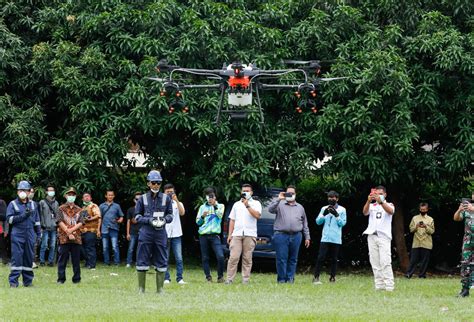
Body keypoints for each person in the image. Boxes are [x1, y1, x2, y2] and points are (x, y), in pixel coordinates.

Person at [134, 170, 173, 293]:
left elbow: (171, 215)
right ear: (148, 183)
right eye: (153, 182)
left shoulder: (166, 199)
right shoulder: (142, 199)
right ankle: (141, 289)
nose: (156, 185)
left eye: (158, 183)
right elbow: (137, 217)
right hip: (146, 232)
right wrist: (149, 220)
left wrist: (164, 220)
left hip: (160, 232)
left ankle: (160, 289)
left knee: (162, 258)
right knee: (142, 258)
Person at [268, 186, 310, 283]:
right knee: (281, 259)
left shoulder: (300, 207)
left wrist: (307, 237)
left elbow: (305, 223)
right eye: (288, 193)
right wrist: (279, 198)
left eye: (292, 193)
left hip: (296, 236)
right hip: (281, 235)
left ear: (295, 194)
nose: (290, 195)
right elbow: (270, 209)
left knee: (293, 259)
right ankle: (282, 279)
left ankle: (290, 279)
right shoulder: (280, 205)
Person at [6, 180, 41, 287]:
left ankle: (28, 282)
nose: (23, 192)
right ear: (17, 192)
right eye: (20, 190)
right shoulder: (13, 204)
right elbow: (9, 220)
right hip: (17, 234)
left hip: (30, 234)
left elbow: (37, 221)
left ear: (29, 192)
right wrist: (23, 216)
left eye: (25, 190)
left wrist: (39, 234)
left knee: (29, 258)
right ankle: (13, 282)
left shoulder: (33, 204)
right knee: (17, 258)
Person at [225, 184, 262, 284]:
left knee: (247, 258)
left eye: (247, 191)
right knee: (233, 257)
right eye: (243, 191)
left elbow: (257, 215)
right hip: (237, 234)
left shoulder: (256, 203)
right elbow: (232, 220)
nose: (245, 192)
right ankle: (229, 279)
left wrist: (247, 205)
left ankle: (245, 279)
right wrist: (230, 234)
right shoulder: (236, 204)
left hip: (250, 234)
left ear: (251, 192)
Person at [362, 185, 396, 291]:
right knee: (375, 261)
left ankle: (389, 285)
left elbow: (391, 211)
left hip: (384, 237)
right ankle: (379, 285)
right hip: (372, 235)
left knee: (385, 261)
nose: (378, 196)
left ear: (385, 195)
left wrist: (381, 202)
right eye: (377, 194)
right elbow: (365, 212)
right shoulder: (372, 206)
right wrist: (368, 201)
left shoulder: (389, 204)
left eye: (381, 194)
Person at [313, 190, 347, 284]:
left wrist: (336, 215)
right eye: (329, 197)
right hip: (325, 237)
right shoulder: (324, 208)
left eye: (333, 197)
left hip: (336, 238)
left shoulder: (342, 210)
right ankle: (316, 277)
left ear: (337, 199)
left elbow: (342, 223)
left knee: (334, 258)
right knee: (321, 257)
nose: (331, 199)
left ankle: (332, 277)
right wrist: (324, 214)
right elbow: (318, 222)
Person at [196, 187, 225, 283]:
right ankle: (208, 277)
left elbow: (220, 215)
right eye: (208, 196)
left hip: (215, 235)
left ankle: (220, 276)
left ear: (215, 196)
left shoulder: (220, 206)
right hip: (203, 235)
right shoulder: (202, 207)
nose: (210, 198)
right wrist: (203, 216)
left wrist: (214, 205)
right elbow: (198, 223)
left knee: (220, 256)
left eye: (211, 196)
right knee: (205, 257)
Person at [57, 187, 84, 284]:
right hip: (64, 238)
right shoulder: (61, 208)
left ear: (75, 197)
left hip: (76, 238)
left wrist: (71, 231)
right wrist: (68, 232)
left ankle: (77, 279)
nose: (71, 197)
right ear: (65, 196)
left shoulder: (79, 209)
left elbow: (81, 222)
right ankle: (61, 279)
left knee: (76, 260)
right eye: (69, 195)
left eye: (73, 195)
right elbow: (59, 221)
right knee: (62, 260)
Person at [163, 184, 186, 284]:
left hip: (177, 234)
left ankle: (179, 278)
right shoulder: (161, 203)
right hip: (164, 234)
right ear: (164, 193)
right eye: (168, 192)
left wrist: (176, 200)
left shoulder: (178, 203)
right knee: (165, 257)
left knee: (179, 257)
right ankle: (166, 278)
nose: (170, 194)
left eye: (171, 192)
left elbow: (182, 213)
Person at [405, 203, 435, 279]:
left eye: (424, 210)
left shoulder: (430, 219)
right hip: (416, 242)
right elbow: (411, 230)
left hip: (426, 243)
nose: (423, 211)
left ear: (427, 209)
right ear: (419, 209)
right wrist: (416, 226)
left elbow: (432, 231)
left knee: (424, 261)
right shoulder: (414, 218)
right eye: (421, 209)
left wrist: (426, 226)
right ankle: (409, 274)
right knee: (413, 260)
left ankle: (422, 275)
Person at [453, 198, 473, 297]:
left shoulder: (471, 208)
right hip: (468, 243)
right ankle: (465, 290)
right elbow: (456, 218)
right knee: (466, 265)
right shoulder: (467, 209)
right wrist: (459, 210)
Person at [99, 190, 124, 265]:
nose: (110, 196)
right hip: (104, 229)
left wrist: (120, 220)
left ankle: (117, 262)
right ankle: (106, 262)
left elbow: (121, 216)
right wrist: (98, 229)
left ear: (114, 196)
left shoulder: (117, 206)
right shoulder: (101, 206)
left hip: (114, 228)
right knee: (105, 247)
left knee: (114, 246)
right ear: (106, 196)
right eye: (109, 195)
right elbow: (99, 218)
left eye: (111, 195)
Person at [38, 185, 60, 266]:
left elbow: (57, 215)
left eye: (53, 190)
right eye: (50, 190)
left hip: (54, 227)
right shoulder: (42, 202)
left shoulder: (56, 203)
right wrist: (41, 226)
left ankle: (51, 261)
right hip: (45, 227)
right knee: (44, 245)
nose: (51, 192)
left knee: (52, 245)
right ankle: (42, 261)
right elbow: (40, 215)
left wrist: (57, 226)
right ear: (46, 192)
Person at [80, 192, 101, 269]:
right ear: (82, 199)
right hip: (83, 231)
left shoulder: (94, 206)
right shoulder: (83, 208)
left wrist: (89, 219)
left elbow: (98, 216)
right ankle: (87, 263)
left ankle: (92, 265)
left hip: (91, 230)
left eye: (88, 196)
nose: (86, 198)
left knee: (90, 247)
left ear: (91, 198)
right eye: (85, 197)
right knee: (83, 247)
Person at [126, 192, 141, 268]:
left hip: (142, 232)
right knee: (131, 248)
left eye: (140, 199)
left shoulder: (144, 210)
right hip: (132, 232)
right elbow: (128, 221)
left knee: (140, 249)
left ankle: (139, 262)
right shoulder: (130, 209)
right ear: (134, 200)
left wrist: (138, 220)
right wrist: (127, 233)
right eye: (137, 199)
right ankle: (128, 262)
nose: (138, 200)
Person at [0, 197, 9, 265]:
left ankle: (4, 261)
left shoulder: (2, 202)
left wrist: (6, 231)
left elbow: (6, 218)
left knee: (3, 246)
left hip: (1, 229)